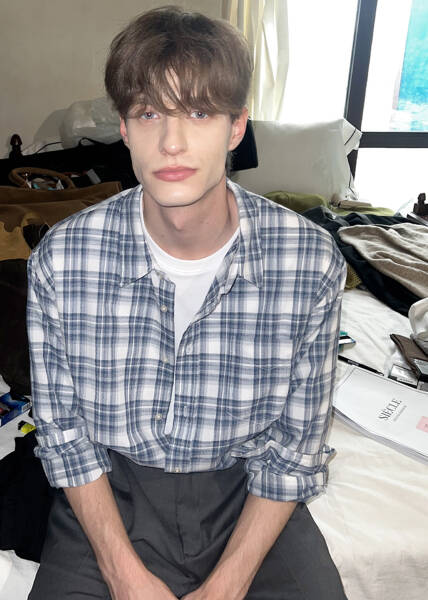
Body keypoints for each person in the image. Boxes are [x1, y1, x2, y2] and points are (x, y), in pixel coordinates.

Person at [27, 6, 348, 600]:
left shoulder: (309, 262)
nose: (171, 143)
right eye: (149, 113)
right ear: (124, 129)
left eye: (199, 113)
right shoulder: (63, 260)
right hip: (111, 493)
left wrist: (227, 585)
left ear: (236, 127)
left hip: (248, 497)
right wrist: (123, 576)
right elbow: (65, 436)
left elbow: (295, 449)